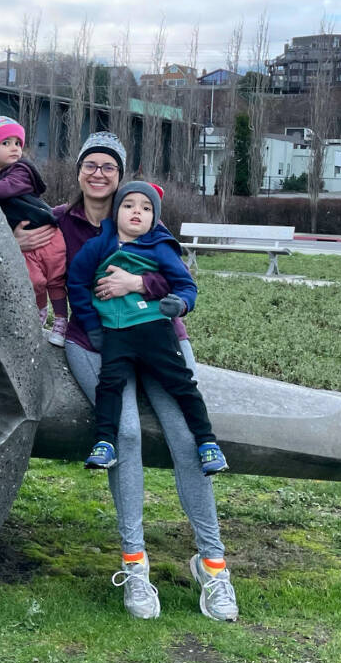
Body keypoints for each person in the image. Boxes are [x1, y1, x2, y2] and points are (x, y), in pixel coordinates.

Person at [13, 131, 238, 622]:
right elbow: (26, 267)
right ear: (77, 172)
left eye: (108, 167)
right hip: (96, 342)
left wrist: (139, 283)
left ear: (121, 176)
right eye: (90, 164)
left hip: (159, 335)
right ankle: (135, 563)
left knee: (185, 435)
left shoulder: (143, 217)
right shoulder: (57, 223)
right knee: (127, 434)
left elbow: (178, 278)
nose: (98, 174)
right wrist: (13, 240)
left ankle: (214, 562)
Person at [67, 181, 229, 476]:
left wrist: (180, 304)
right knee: (109, 384)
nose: (136, 213)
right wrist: (91, 324)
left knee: (182, 384)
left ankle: (207, 442)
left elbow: (186, 285)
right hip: (115, 332)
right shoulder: (98, 246)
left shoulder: (160, 248)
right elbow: (76, 282)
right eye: (128, 206)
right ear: (116, 212)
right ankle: (104, 441)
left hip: (155, 330)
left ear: (155, 217)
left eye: (146, 208)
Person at [0, 110, 69, 346]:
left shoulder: (22, 170)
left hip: (47, 233)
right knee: (33, 280)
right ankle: (40, 313)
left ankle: (61, 320)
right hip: (21, 242)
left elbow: (4, 189)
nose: (15, 148)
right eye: (6, 143)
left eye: (18, 142)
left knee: (55, 280)